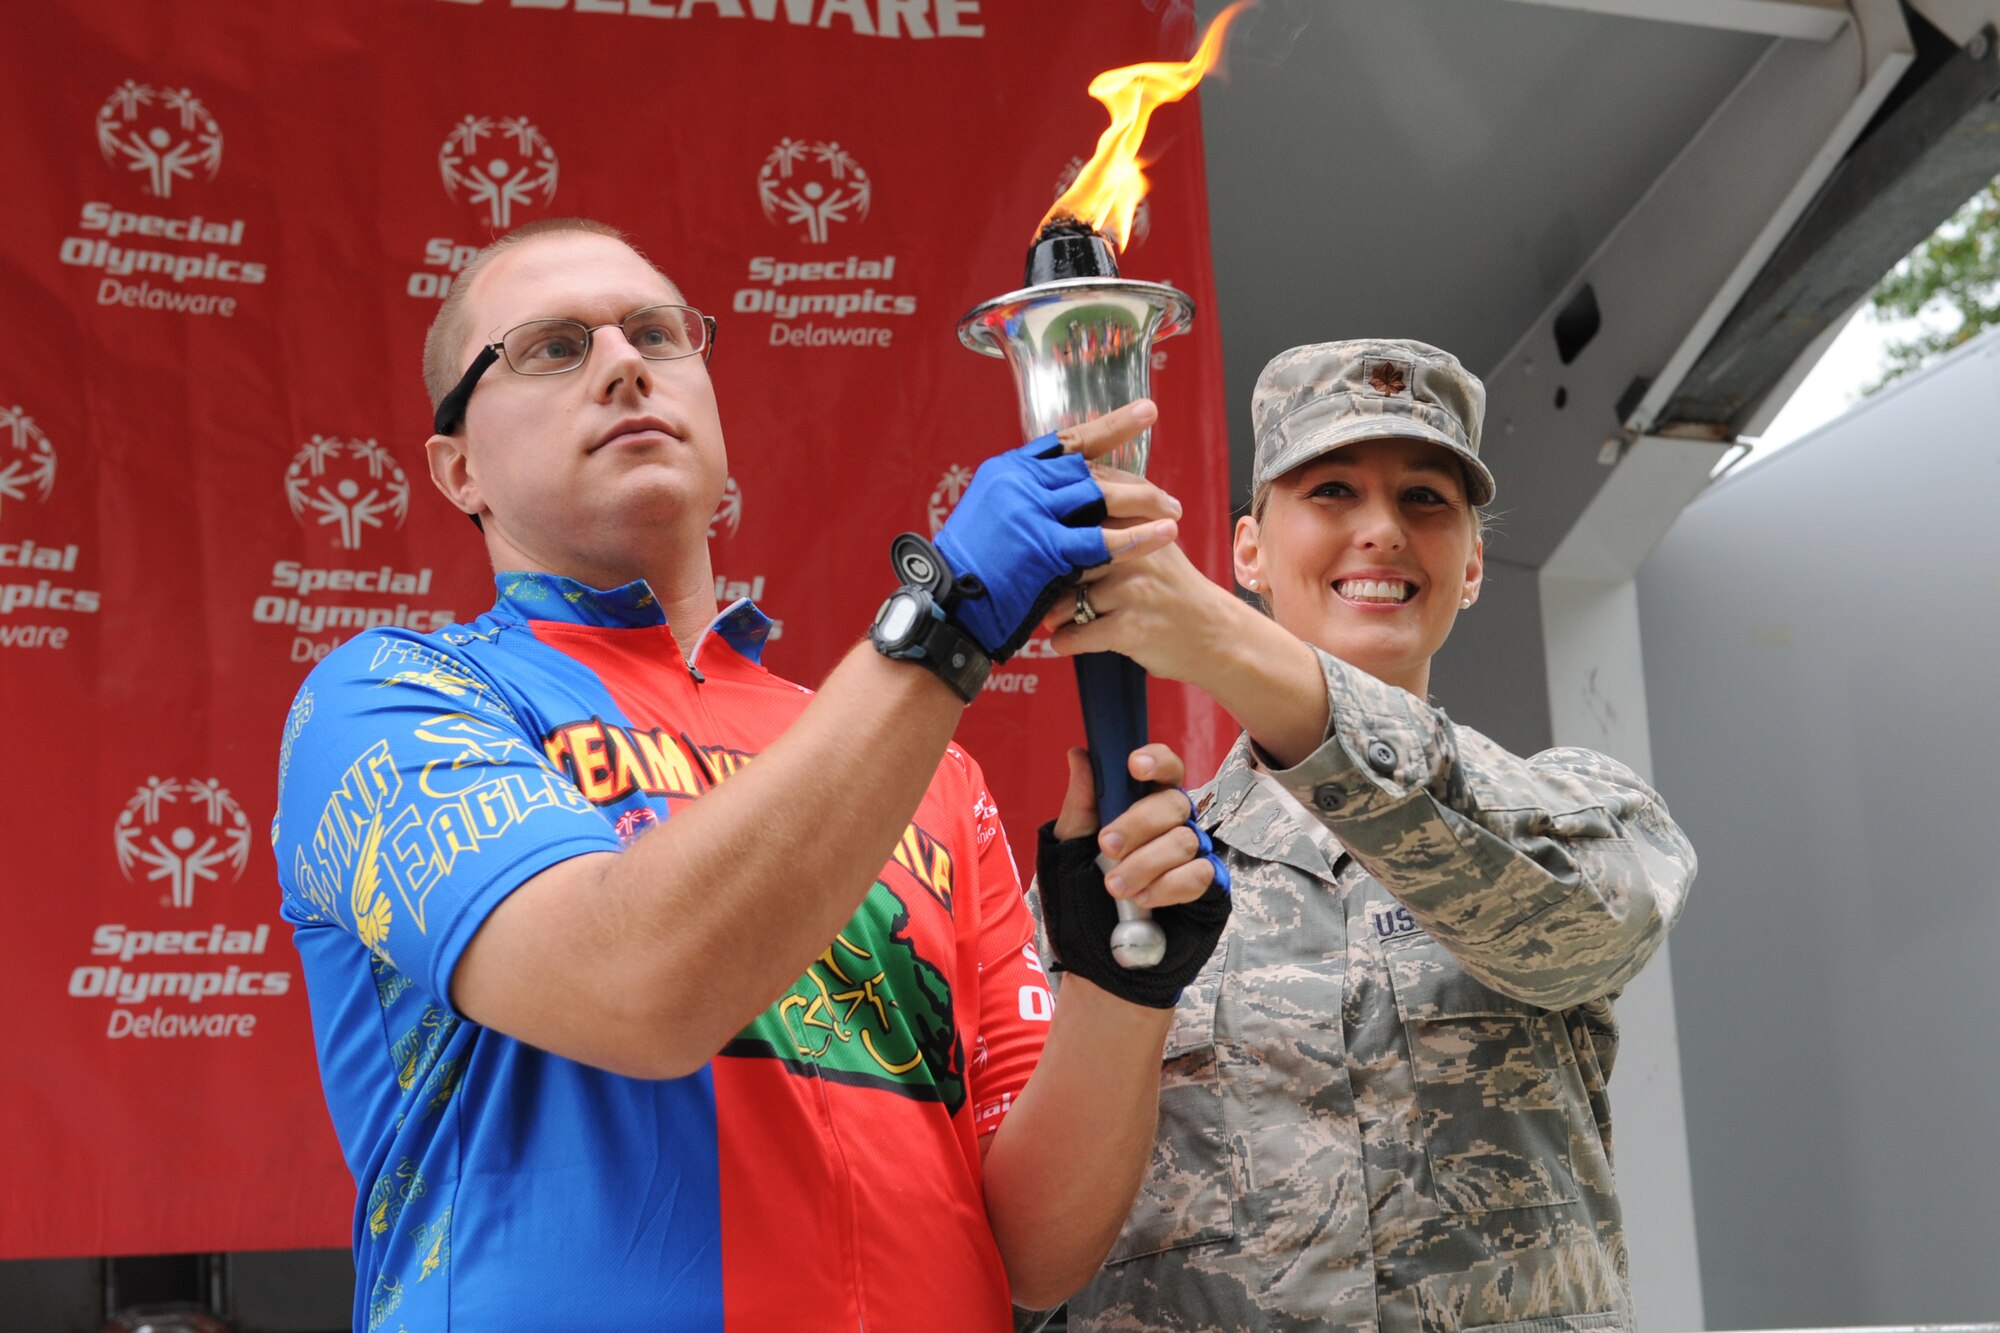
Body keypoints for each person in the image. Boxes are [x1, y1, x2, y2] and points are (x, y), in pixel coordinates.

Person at [269, 217, 1231, 1332]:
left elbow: (1035, 1250)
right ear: (458, 469)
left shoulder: (919, 760)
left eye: (656, 333)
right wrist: (945, 621)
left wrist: (1121, 988)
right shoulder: (390, 699)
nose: (624, 363)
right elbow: (640, 986)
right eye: (551, 348)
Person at [1038, 339, 1696, 1331]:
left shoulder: (1583, 812)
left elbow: (1566, 925)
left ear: (1471, 563)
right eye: (1333, 490)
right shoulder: (1139, 874)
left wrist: (1215, 637)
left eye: (1425, 498)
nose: (1381, 531)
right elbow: (1038, 1237)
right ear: (1247, 549)